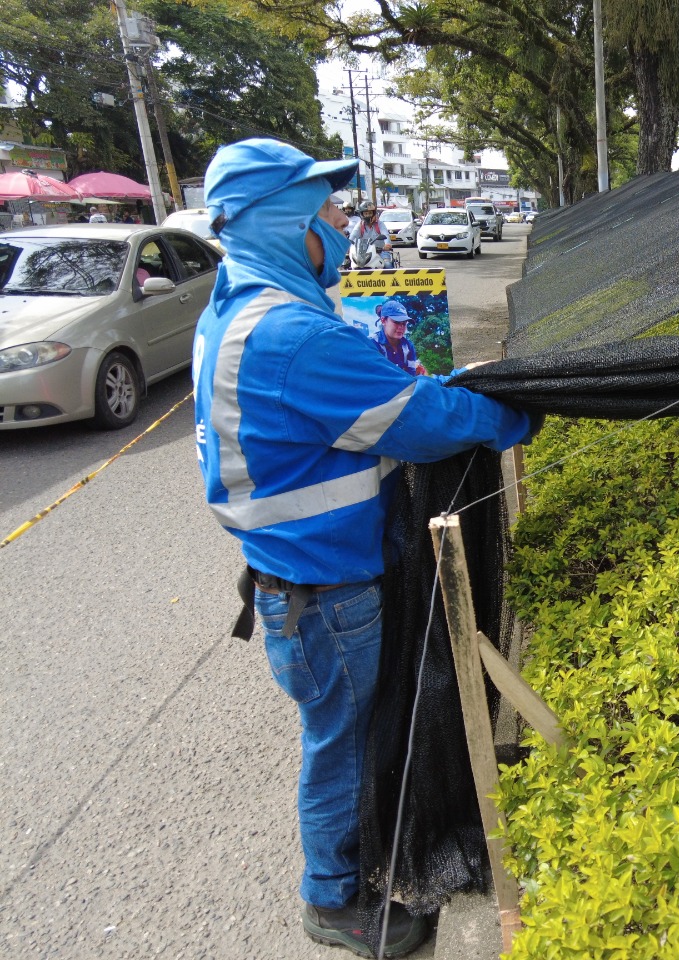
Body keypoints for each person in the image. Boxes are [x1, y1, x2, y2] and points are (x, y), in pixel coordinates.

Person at [191, 138, 538, 959]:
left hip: (300, 584)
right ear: (289, 224)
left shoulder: (240, 310)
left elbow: (379, 389)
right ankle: (335, 901)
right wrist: (514, 413)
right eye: (334, 212)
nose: (348, 227)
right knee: (343, 746)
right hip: (326, 592)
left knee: (347, 734)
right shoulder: (291, 338)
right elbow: (423, 424)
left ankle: (351, 868)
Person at [370, 300, 425, 375]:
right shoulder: (371, 343)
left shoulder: (408, 346)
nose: (401, 327)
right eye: (396, 322)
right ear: (383, 321)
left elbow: (411, 374)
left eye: (404, 323)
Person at [348, 199, 393, 268]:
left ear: (374, 213)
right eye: (366, 213)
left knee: (388, 265)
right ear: (362, 214)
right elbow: (352, 236)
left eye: (370, 213)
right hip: (363, 254)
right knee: (347, 265)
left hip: (380, 252)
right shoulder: (360, 225)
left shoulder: (380, 224)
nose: (368, 215)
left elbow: (386, 235)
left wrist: (387, 244)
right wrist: (346, 245)